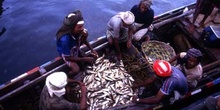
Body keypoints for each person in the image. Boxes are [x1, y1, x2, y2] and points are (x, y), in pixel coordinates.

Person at [56, 10, 98, 76]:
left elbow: (84, 40)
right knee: (76, 70)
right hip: (67, 54)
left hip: (75, 47)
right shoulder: (65, 40)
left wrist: (92, 49)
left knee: (86, 34)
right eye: (79, 27)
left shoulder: (78, 31)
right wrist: (84, 59)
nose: (82, 28)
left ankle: (80, 56)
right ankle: (68, 78)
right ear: (72, 28)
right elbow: (67, 58)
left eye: (82, 26)